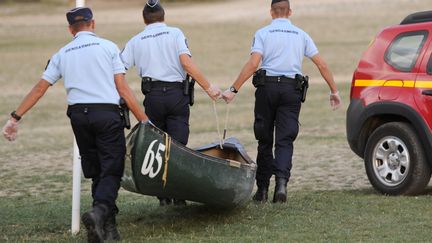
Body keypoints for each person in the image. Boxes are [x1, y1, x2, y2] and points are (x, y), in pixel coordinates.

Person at [2, 7, 148, 242]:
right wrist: (144, 119)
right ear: (93, 23)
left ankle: (106, 230)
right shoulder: (108, 47)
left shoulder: (62, 53)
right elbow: (122, 88)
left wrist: (14, 118)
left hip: (79, 116)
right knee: (112, 168)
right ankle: (100, 211)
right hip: (106, 114)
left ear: (71, 29)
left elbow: (40, 89)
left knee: (97, 171)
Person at [221, 0, 342, 203]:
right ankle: (282, 185)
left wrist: (233, 89)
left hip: (267, 88)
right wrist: (334, 90)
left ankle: (262, 190)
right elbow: (321, 64)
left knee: (264, 139)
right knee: (285, 140)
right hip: (291, 91)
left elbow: (253, 64)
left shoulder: (263, 33)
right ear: (290, 12)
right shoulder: (301, 35)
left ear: (271, 12)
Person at [121, 0, 221, 206]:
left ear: (144, 19)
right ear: (163, 16)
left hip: (153, 96)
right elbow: (186, 63)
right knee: (178, 145)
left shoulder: (135, 40)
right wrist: (209, 88)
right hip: (176, 95)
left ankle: (163, 195)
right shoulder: (175, 33)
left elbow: (119, 69)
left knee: (157, 146)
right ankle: (178, 193)